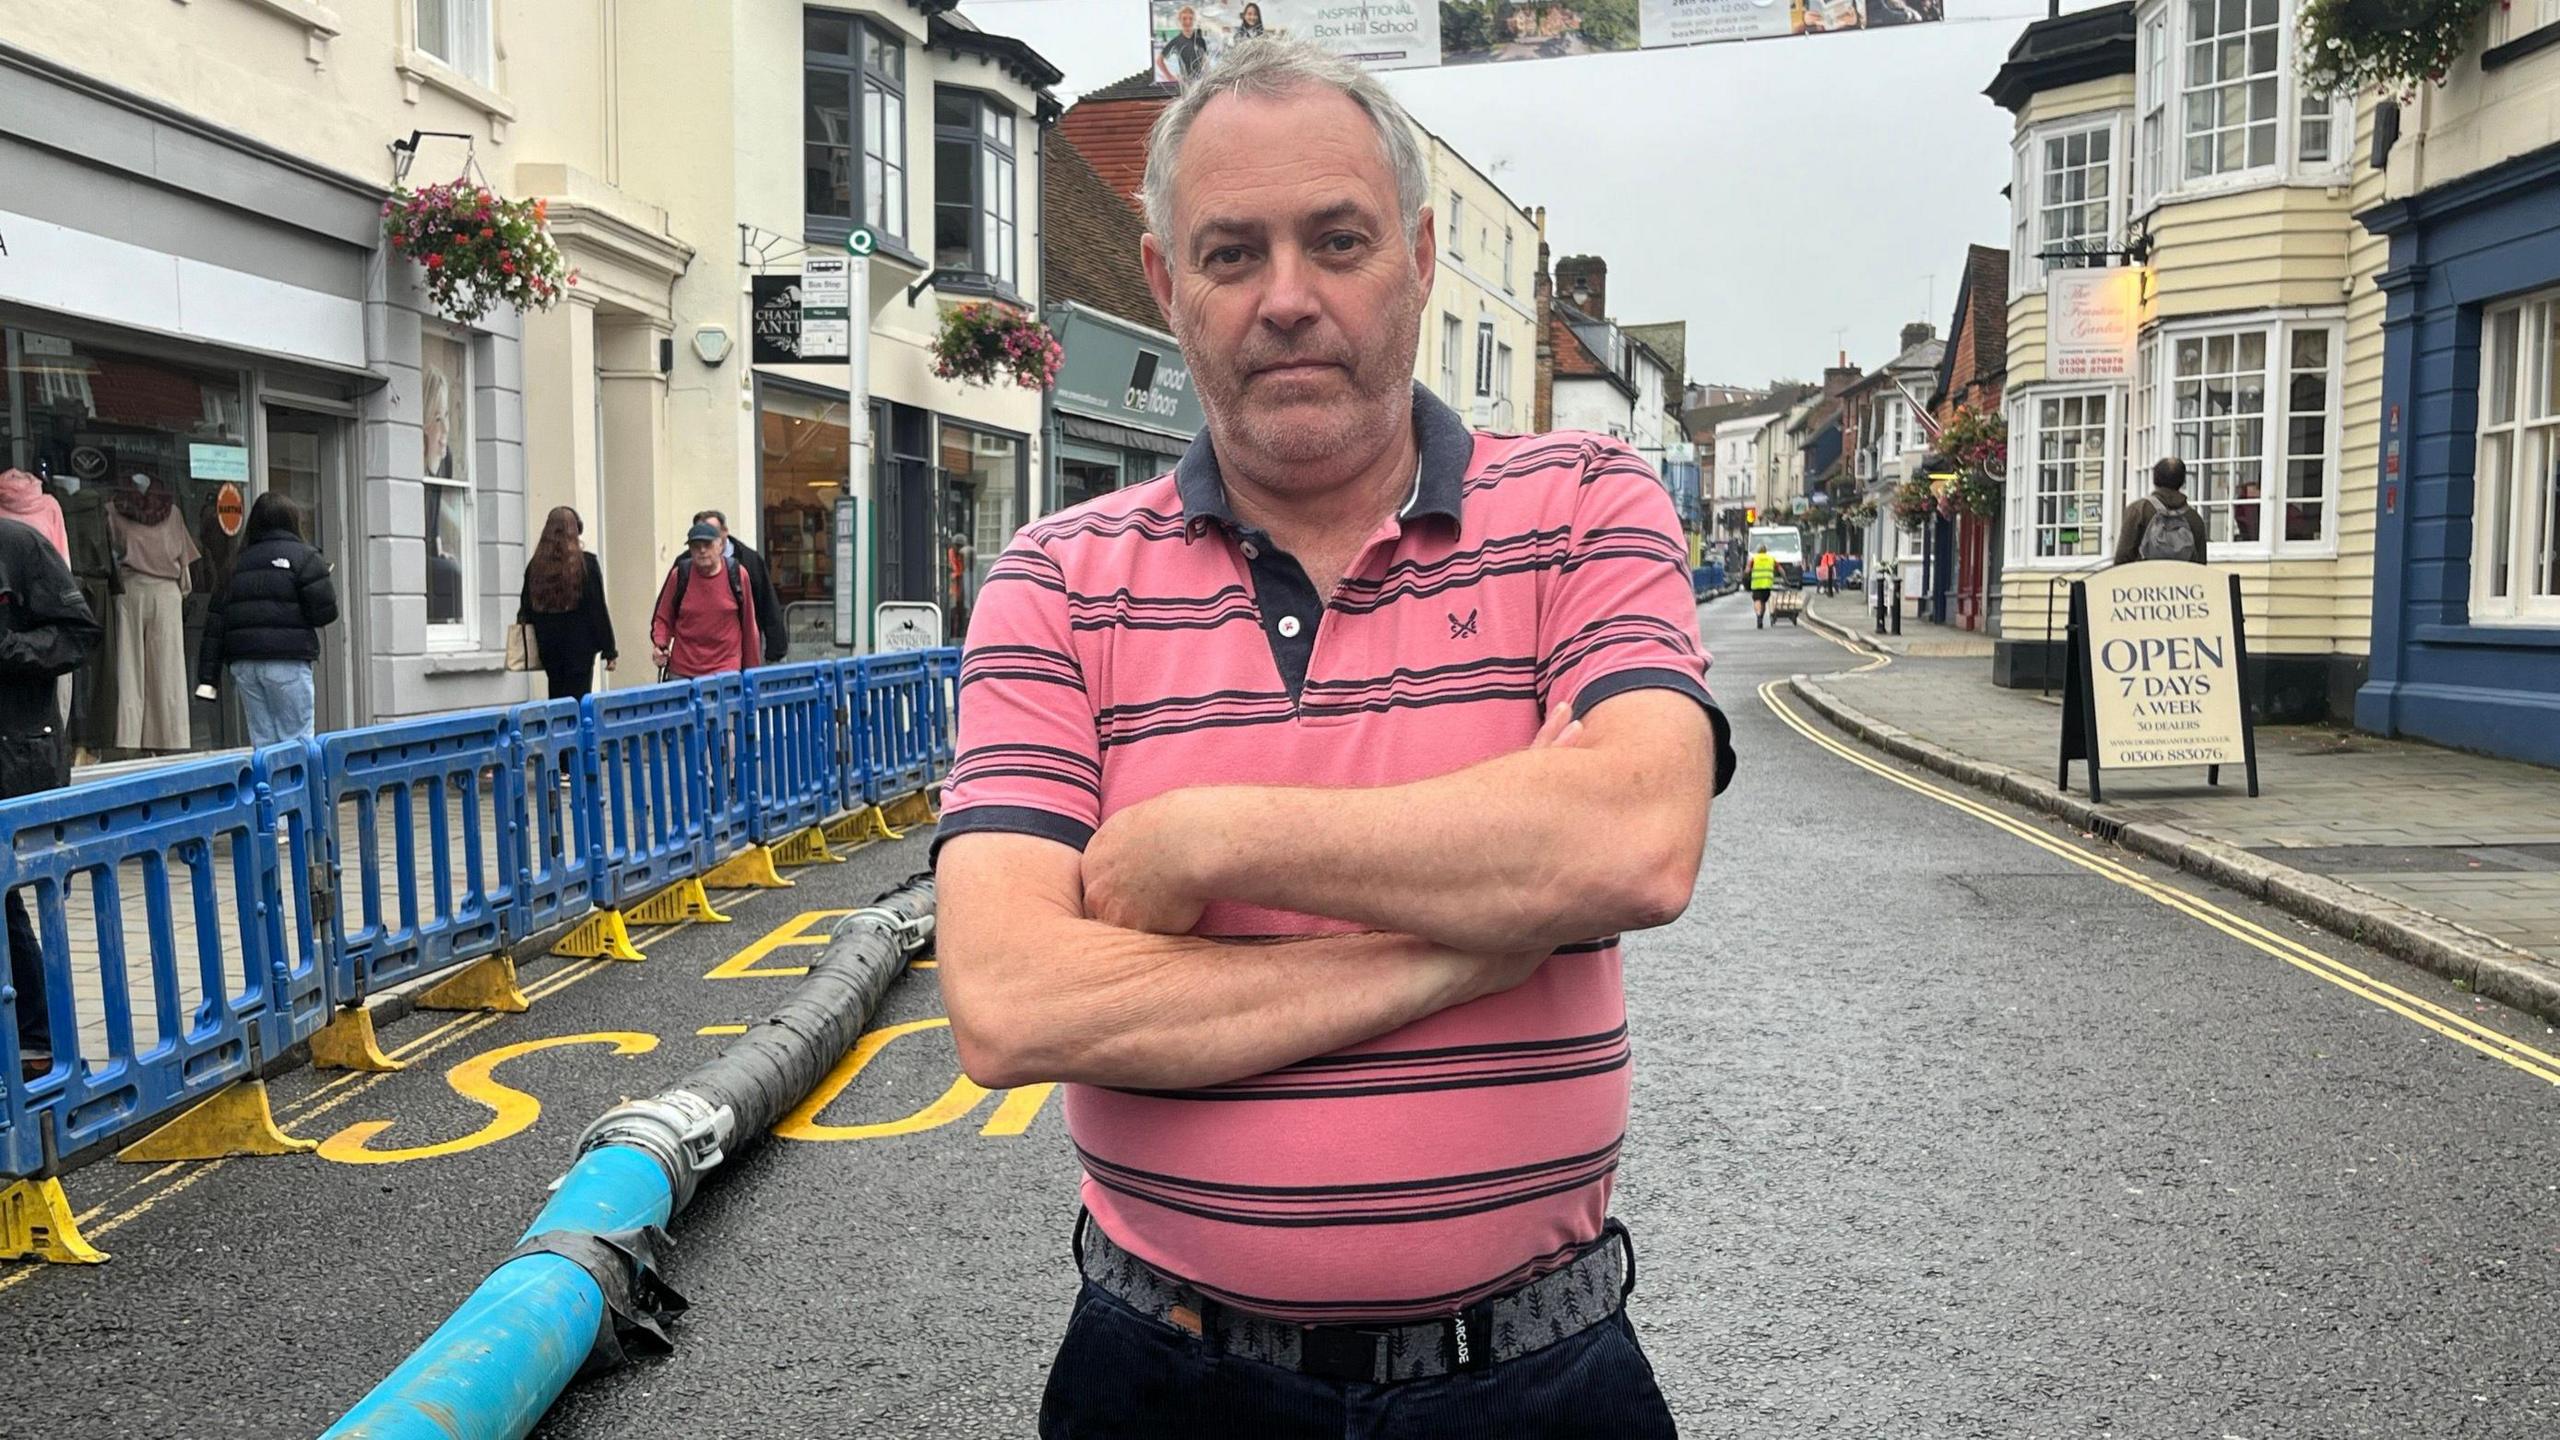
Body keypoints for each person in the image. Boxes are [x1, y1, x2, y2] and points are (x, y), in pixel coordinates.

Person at [935, 38, 1732, 1438]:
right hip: (1164, 1381)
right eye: (1233, 254)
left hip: (1535, 1385)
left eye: (1339, 241)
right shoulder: (1055, 579)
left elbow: (1640, 839)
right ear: (1166, 284)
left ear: (1418, 257)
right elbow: (1011, 1001)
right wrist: (1481, 936)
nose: (1289, 298)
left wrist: (1206, 836)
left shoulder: (1587, 503)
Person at [1, 514, 102, 1080]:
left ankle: (37, 1042)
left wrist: (11, 648)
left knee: (11, 896)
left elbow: (78, 633)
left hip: (16, 754)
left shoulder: (19, 545)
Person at [192, 492, 337, 748]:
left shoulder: (235, 562)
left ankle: (270, 787)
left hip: (245, 665)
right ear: (293, 521)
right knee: (299, 741)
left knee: (264, 742)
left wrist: (207, 679)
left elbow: (215, 624)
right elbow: (324, 614)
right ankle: (298, 789)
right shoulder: (305, 557)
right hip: (287, 661)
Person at [517, 506, 618, 700]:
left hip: (548, 647)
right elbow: (597, 609)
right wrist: (609, 649)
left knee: (556, 698)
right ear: (576, 531)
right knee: (578, 703)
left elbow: (525, 607)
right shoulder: (586, 564)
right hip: (581, 649)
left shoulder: (535, 566)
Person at [649, 522, 762, 679]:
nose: (702, 551)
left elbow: (749, 626)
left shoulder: (737, 575)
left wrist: (752, 674)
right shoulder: (680, 575)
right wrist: (660, 644)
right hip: (683, 672)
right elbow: (663, 617)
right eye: (696, 546)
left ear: (720, 546)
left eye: (707, 545)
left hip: (724, 672)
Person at [691, 509, 788, 664]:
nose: (704, 544)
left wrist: (776, 651)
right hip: (695, 657)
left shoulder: (749, 561)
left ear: (724, 532)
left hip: (739, 654)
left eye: (712, 532)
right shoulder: (685, 566)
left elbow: (767, 604)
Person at [2113, 455, 2210, 567]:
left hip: (2143, 581)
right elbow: (2200, 566)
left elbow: (2123, 558)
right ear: (2183, 481)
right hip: (2183, 582)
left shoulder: (2138, 510)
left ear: (2155, 479)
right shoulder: (2194, 518)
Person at [1155, 4, 1212, 84]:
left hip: (1200, 83)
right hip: (1185, 83)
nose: (1188, 21)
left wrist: (1208, 78)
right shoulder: (1176, 41)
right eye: (1184, 19)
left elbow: (1206, 62)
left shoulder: (1200, 40)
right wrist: (1170, 77)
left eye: (1190, 19)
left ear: (1194, 20)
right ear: (1179, 21)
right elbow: (1159, 60)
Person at [1748, 542, 1780, 627]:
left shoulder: (1754, 558)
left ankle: (1758, 616)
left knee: (1757, 600)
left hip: (1756, 584)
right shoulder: (1771, 558)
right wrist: (1786, 579)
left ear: (1758, 551)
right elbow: (1780, 569)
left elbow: (1747, 570)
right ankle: (1761, 617)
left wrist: (1744, 577)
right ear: (1766, 551)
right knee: (1763, 602)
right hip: (1767, 584)